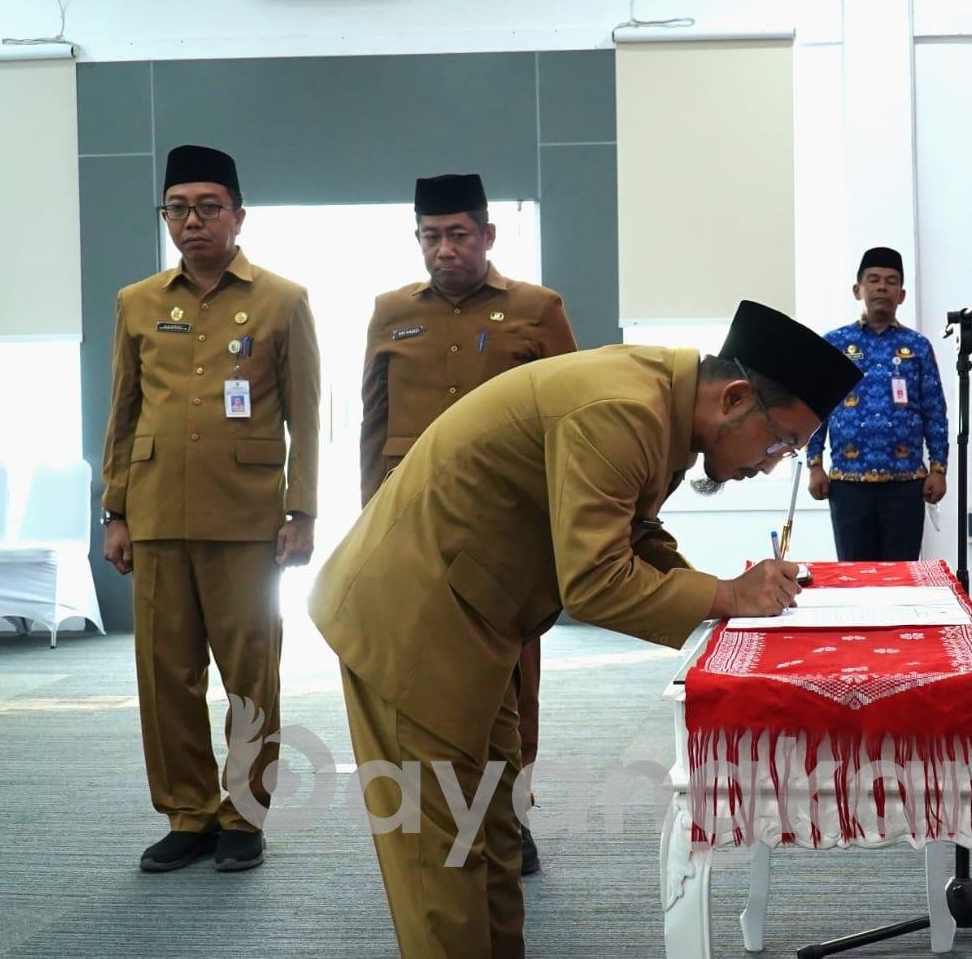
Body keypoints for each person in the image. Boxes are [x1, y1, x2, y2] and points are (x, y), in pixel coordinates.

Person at [309, 300, 862, 958]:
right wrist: (720, 594)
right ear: (735, 397)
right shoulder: (623, 409)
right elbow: (594, 582)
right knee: (442, 866)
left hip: (477, 621)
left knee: (492, 841)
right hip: (410, 625)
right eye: (779, 442)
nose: (771, 465)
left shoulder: (662, 402)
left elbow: (630, 528)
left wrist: (723, 595)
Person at [100, 144, 321, 873]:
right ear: (165, 216)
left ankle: (243, 816)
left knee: (250, 674)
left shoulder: (281, 299)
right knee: (165, 676)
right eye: (178, 209)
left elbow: (306, 416)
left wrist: (302, 512)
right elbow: (123, 413)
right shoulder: (137, 301)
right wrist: (115, 511)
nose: (192, 222)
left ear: (237, 215)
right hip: (157, 514)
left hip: (248, 519)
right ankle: (188, 815)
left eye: (208, 207)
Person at [360, 172, 576, 874]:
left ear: (487, 234)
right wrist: (370, 525)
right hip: (414, 526)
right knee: (424, 674)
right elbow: (374, 423)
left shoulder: (538, 309)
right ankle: (442, 814)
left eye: (458, 234)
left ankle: (512, 815)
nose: (445, 249)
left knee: (510, 678)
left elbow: (575, 421)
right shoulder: (391, 312)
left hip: (508, 526)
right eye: (431, 236)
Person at [806, 247, 948, 560]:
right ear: (858, 290)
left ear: (902, 294)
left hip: (906, 483)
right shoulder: (835, 343)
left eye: (890, 281)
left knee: (901, 576)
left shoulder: (918, 347)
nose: (882, 286)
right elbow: (816, 407)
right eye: (873, 280)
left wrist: (939, 468)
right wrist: (814, 464)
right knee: (855, 573)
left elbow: (935, 411)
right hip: (847, 482)